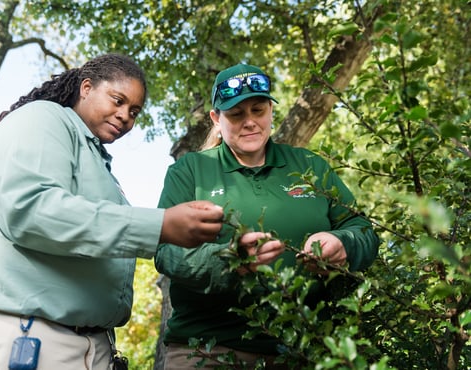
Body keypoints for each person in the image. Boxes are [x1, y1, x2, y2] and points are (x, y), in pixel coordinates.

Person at [0, 53, 224, 370]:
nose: (125, 117)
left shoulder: (99, 165)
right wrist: (159, 227)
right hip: (6, 335)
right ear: (86, 87)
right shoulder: (41, 118)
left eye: (134, 112)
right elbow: (31, 211)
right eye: (117, 100)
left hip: (72, 345)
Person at [154, 63, 380, 369]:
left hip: (306, 350)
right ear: (216, 119)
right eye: (236, 114)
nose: (249, 122)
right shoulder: (190, 171)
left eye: (258, 110)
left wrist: (342, 243)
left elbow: (362, 228)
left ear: (271, 111)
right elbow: (166, 251)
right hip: (209, 350)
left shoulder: (309, 165)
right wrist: (230, 259)